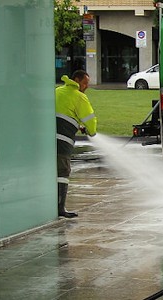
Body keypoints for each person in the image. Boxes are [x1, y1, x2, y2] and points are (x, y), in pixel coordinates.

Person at [55, 70, 98, 218]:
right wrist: (91, 132)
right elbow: (90, 120)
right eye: (85, 83)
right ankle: (60, 208)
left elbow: (63, 112)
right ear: (76, 80)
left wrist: (77, 126)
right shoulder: (79, 97)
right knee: (63, 171)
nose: (86, 86)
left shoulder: (58, 91)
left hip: (48, 139)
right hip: (63, 140)